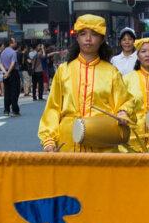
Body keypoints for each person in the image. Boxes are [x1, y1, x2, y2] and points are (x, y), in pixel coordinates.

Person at [38, 14, 132, 153]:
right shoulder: (64, 70)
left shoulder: (112, 72)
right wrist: (49, 140)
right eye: (83, 34)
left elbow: (125, 102)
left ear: (102, 39)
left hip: (102, 144)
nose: (88, 39)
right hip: (68, 144)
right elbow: (53, 108)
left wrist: (123, 113)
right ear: (77, 38)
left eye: (94, 34)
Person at [0, 38, 20, 117]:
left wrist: (5, 72)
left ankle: (6, 110)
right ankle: (15, 110)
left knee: (7, 92)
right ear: (11, 43)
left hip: (5, 73)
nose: (16, 43)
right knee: (14, 92)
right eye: (15, 42)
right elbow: (13, 64)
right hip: (13, 73)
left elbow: (0, 64)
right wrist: (8, 72)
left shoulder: (3, 52)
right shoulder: (13, 52)